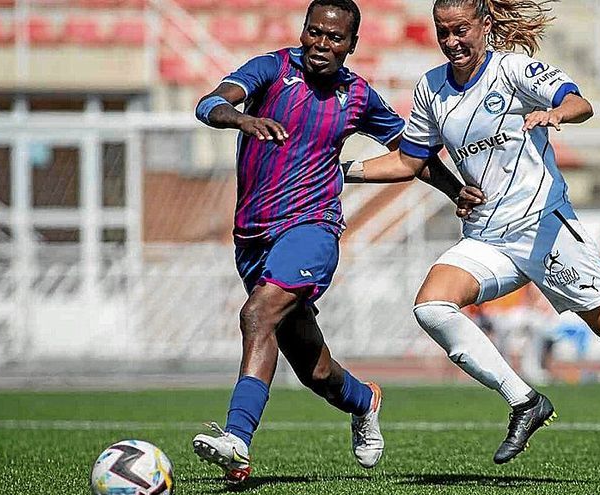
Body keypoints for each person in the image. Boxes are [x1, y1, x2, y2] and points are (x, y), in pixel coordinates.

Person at [341, 0, 600, 484]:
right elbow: (408, 162)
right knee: (432, 305)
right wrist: (342, 169)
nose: (452, 42)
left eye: (461, 30)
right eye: (443, 32)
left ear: (485, 26)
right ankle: (525, 401)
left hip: (545, 230)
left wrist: (556, 114)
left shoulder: (512, 69)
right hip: (488, 238)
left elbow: (581, 101)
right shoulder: (431, 88)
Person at [190, 0, 462, 485]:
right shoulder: (271, 70)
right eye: (314, 32)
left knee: (257, 314)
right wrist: (241, 119)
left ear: (351, 45)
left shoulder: (357, 96)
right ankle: (365, 400)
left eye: (334, 38)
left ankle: (237, 439)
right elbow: (209, 103)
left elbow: (412, 153)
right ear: (304, 31)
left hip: (313, 229)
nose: (321, 44)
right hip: (253, 237)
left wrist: (456, 190)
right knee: (312, 369)